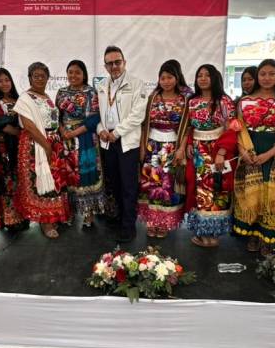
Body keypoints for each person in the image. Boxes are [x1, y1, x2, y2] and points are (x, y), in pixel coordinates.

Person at [233, 59, 275, 254]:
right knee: (252, 193)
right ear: (257, 76)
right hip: (251, 150)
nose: (267, 78)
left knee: (273, 195)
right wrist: (244, 152)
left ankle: (268, 238)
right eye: (263, 74)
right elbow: (238, 130)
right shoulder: (244, 102)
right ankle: (253, 234)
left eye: (272, 74)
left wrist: (269, 154)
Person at [179, 64, 239, 248]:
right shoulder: (192, 101)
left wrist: (222, 152)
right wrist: (189, 143)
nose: (203, 79)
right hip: (198, 151)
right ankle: (203, 233)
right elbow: (190, 126)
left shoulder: (224, 101)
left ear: (215, 78)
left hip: (217, 149)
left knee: (217, 188)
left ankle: (213, 235)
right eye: (200, 75)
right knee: (199, 190)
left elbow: (232, 127)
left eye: (207, 75)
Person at [14, 62, 72, 238]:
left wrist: (59, 138)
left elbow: (54, 120)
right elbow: (29, 126)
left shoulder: (47, 96)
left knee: (55, 182)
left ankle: (54, 216)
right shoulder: (25, 99)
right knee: (41, 181)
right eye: (36, 76)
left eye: (43, 76)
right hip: (36, 144)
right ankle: (46, 222)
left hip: (53, 142)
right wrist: (46, 145)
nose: (40, 79)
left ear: (48, 78)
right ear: (30, 78)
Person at [97, 46, 148, 243]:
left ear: (124, 62)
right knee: (115, 183)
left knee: (128, 186)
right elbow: (99, 114)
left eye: (117, 62)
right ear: (105, 66)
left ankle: (129, 226)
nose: (114, 66)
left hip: (126, 142)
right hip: (108, 142)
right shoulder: (102, 85)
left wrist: (116, 133)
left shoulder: (137, 84)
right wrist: (100, 130)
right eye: (109, 63)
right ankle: (120, 218)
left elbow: (137, 116)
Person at [138, 60, 189, 238]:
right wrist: (142, 147)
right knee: (150, 184)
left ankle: (164, 222)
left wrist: (181, 149)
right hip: (152, 145)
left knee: (167, 185)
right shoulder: (153, 97)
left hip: (171, 147)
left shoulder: (185, 99)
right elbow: (144, 124)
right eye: (163, 78)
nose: (166, 81)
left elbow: (188, 127)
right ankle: (152, 221)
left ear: (177, 78)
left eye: (170, 77)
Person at [56, 60, 107, 227]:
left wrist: (73, 133)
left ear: (84, 74)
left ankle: (88, 213)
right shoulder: (61, 92)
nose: (73, 75)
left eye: (77, 72)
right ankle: (69, 212)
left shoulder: (91, 92)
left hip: (85, 139)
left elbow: (94, 118)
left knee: (85, 176)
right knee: (67, 175)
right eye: (70, 72)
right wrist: (62, 130)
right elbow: (56, 115)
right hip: (66, 140)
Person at [0, 68, 27, 231]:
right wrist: (23, 134)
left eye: (7, 80)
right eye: (0, 81)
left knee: (21, 180)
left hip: (20, 146)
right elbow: (2, 125)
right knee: (7, 182)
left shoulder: (18, 99)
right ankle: (10, 219)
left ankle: (23, 215)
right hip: (4, 148)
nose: (4, 83)